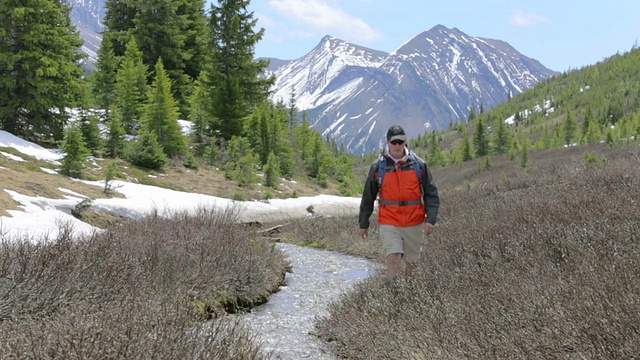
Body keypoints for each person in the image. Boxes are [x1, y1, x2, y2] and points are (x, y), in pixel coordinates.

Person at [359, 125, 440, 277]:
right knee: (393, 257)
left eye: (400, 142)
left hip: (415, 221)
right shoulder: (378, 167)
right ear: (388, 143)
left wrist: (431, 219)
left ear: (405, 142)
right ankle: (393, 293)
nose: (397, 145)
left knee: (412, 265)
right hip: (389, 221)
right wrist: (364, 223)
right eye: (394, 142)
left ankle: (409, 294)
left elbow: (431, 194)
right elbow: (368, 197)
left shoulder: (419, 165)